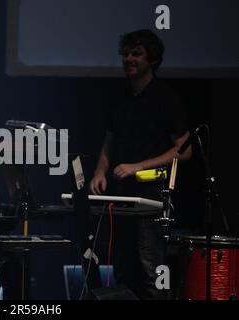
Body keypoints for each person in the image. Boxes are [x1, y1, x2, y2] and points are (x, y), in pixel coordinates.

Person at [89, 29, 192, 299]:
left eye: (137, 53)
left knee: (151, 270)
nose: (129, 58)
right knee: (124, 270)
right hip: (122, 195)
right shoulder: (120, 98)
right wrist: (100, 171)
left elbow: (184, 150)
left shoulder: (166, 98)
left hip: (152, 196)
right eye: (126, 53)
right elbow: (109, 140)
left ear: (152, 59)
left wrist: (138, 166)